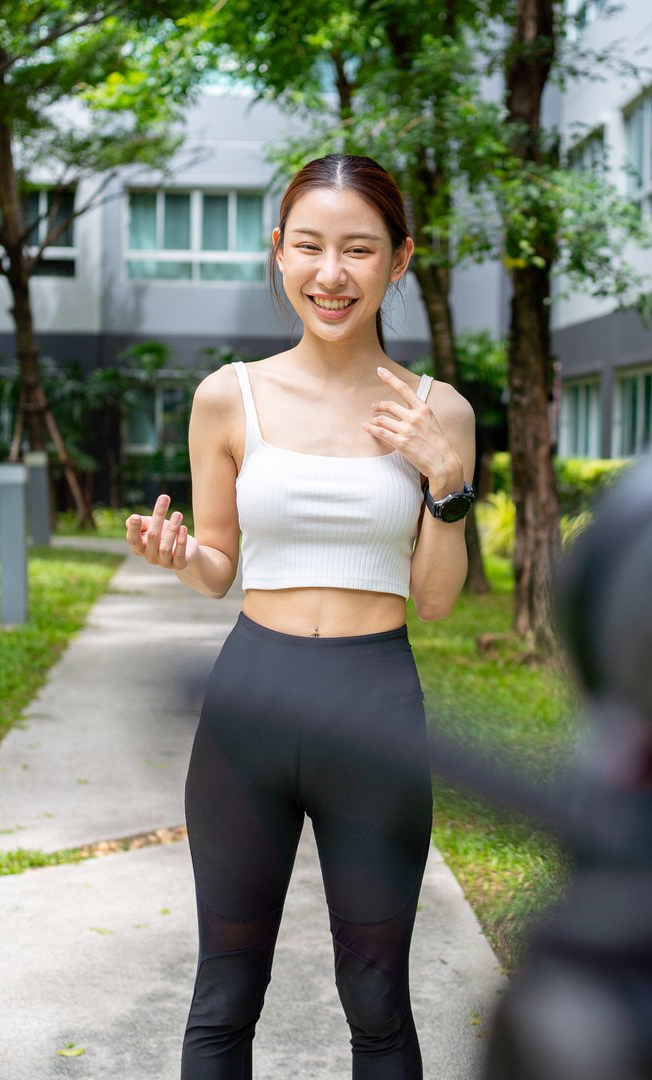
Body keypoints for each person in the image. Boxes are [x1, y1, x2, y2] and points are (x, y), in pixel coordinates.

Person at [125, 153, 477, 1080]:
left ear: (399, 262)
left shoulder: (438, 409)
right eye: (310, 247)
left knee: (377, 998)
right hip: (252, 702)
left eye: (359, 250)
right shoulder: (227, 397)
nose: (332, 273)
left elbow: (435, 599)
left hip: (375, 709)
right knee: (224, 994)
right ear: (278, 253)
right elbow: (218, 567)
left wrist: (447, 481)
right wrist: (178, 556)